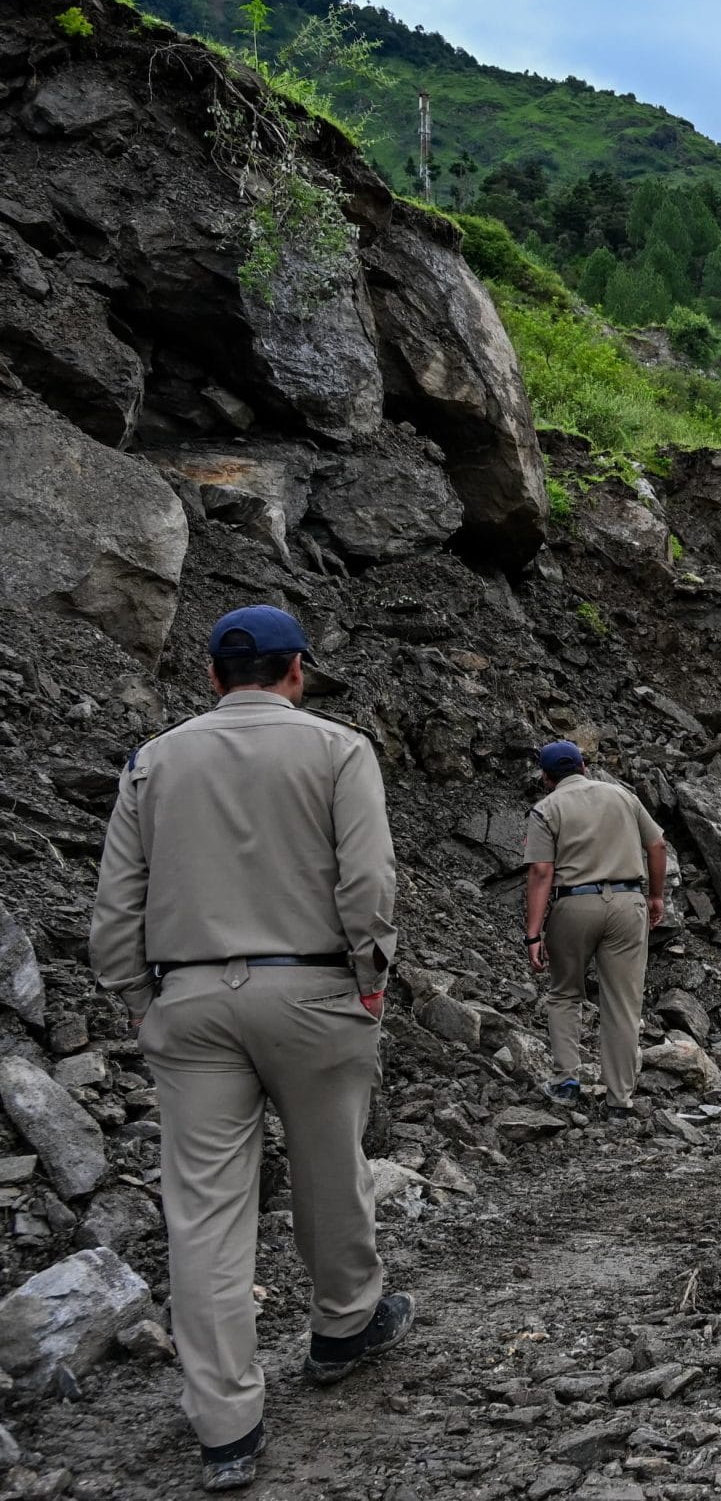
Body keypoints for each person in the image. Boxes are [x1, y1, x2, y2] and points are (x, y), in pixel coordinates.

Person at [89, 605, 413, 1492]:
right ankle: (344, 1325)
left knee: (202, 1217)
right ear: (297, 670)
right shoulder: (338, 749)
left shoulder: (154, 761)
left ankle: (226, 1424)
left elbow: (118, 900)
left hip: (189, 999)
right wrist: (368, 966)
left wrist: (136, 997)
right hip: (313, 988)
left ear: (212, 677)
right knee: (329, 1168)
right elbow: (369, 875)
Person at [522, 740, 666, 1116]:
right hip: (627, 901)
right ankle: (619, 1100)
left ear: (546, 776)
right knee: (621, 1003)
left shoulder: (546, 808)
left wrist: (533, 933)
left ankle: (567, 1081)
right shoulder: (623, 797)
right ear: (584, 766)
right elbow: (658, 846)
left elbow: (540, 871)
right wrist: (655, 897)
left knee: (565, 993)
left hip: (574, 904)